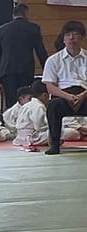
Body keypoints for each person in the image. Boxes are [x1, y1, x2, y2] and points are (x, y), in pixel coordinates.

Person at [43, 21, 87, 155]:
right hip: (63, 95)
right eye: (67, 35)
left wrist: (82, 96)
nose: (71, 38)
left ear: (82, 37)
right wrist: (68, 97)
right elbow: (50, 87)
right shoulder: (53, 60)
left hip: (85, 94)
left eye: (75, 34)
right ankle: (55, 144)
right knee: (53, 106)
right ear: (63, 39)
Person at [0, 3, 47, 109]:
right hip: (25, 70)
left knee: (11, 102)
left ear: (13, 14)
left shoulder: (1, 29)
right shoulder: (33, 28)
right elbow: (40, 51)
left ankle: (11, 119)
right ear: (26, 13)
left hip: (7, 70)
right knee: (25, 100)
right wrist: (47, 70)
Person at [14, 80, 49, 148]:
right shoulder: (39, 106)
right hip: (33, 138)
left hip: (20, 137)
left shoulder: (26, 105)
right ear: (45, 95)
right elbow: (39, 126)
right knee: (59, 133)